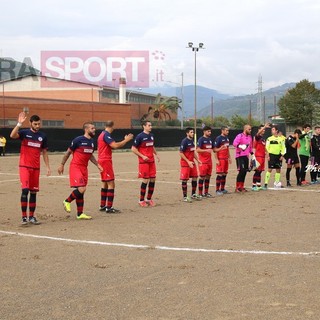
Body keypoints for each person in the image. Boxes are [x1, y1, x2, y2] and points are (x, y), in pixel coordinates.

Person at [10, 112, 51, 225]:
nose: (37, 126)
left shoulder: (42, 136)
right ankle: (24, 217)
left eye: (39, 124)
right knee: (25, 190)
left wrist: (47, 167)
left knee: (33, 192)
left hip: (36, 168)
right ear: (30, 123)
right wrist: (19, 124)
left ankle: (32, 217)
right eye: (35, 124)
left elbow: (44, 152)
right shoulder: (24, 133)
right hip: (24, 166)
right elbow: (12, 135)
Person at [58, 122, 103, 220]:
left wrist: (97, 164)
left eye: (94, 128)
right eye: (92, 128)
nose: (94, 130)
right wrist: (62, 164)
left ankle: (80, 214)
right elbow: (68, 152)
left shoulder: (91, 142)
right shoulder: (78, 140)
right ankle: (67, 201)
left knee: (81, 191)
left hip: (84, 168)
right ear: (86, 129)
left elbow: (90, 155)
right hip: (76, 167)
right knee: (82, 188)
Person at [97, 121, 133, 213]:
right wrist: (126, 140)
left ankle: (102, 205)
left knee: (105, 182)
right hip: (105, 160)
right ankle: (109, 207)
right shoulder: (106, 135)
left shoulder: (101, 134)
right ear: (112, 127)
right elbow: (115, 145)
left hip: (101, 160)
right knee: (111, 183)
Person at [131, 121, 160, 207]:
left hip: (151, 161)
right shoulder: (140, 136)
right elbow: (133, 149)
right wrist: (142, 156)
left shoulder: (151, 136)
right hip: (144, 162)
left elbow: (152, 146)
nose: (151, 127)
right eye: (149, 125)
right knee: (145, 180)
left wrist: (156, 154)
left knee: (153, 179)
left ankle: (149, 199)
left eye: (151, 125)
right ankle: (141, 200)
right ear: (144, 126)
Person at [179, 127, 202, 202]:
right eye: (191, 132)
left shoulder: (192, 141)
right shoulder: (184, 141)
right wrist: (188, 161)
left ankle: (193, 194)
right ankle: (185, 197)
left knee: (195, 177)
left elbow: (193, 152)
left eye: (193, 132)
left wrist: (198, 160)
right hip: (185, 163)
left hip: (192, 162)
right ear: (187, 133)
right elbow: (181, 153)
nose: (192, 133)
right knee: (185, 180)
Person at [263, 125, 286, 189]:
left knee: (278, 170)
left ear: (276, 131)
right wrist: (268, 156)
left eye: (273, 129)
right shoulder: (269, 139)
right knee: (270, 169)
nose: (272, 131)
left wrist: (282, 155)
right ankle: (265, 183)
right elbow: (266, 148)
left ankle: (277, 183)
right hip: (271, 155)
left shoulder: (281, 139)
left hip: (278, 156)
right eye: (272, 129)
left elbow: (283, 148)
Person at [232, 124, 253, 192]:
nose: (250, 130)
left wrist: (252, 155)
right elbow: (234, 143)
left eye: (250, 129)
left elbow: (250, 147)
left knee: (245, 172)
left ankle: (242, 186)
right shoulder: (240, 136)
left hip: (246, 156)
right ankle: (237, 187)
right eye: (249, 129)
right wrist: (240, 146)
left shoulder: (250, 137)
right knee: (241, 171)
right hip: (239, 156)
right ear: (245, 129)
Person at [196, 126, 214, 197]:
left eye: (210, 131)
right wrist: (206, 150)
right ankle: (200, 193)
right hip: (203, 161)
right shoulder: (201, 139)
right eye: (208, 131)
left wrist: (221, 148)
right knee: (202, 177)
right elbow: (197, 150)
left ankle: (206, 192)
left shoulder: (210, 139)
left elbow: (213, 149)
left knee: (208, 176)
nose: (210, 133)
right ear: (204, 131)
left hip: (209, 161)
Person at [213, 126, 231, 195]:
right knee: (220, 174)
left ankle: (222, 189)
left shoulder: (227, 138)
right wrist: (217, 159)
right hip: (220, 159)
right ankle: (217, 190)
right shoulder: (218, 138)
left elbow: (227, 149)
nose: (227, 132)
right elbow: (215, 150)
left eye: (228, 130)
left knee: (224, 174)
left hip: (226, 159)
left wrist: (229, 157)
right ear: (222, 131)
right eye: (226, 130)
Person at [251, 124, 269, 191]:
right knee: (257, 171)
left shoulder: (263, 138)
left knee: (260, 171)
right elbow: (258, 133)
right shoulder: (257, 137)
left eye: (264, 129)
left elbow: (264, 147)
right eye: (262, 129)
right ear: (259, 130)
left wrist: (267, 153)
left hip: (262, 156)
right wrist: (264, 126)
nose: (263, 130)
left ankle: (258, 185)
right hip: (258, 156)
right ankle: (253, 185)